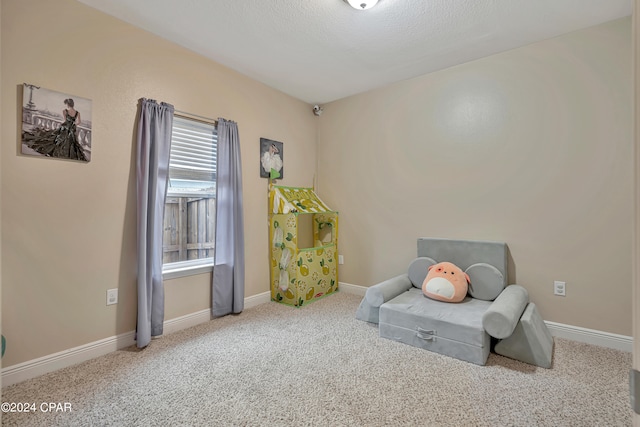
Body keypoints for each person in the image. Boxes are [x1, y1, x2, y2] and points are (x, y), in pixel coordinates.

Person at [23, 98, 88, 161]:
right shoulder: (77, 113)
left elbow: (65, 120)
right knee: (71, 142)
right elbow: (78, 122)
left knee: (57, 139)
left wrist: (68, 124)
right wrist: (73, 124)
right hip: (72, 128)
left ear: (68, 104)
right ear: (73, 104)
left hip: (65, 128)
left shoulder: (65, 111)